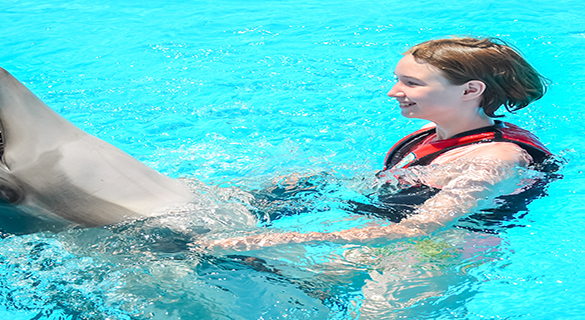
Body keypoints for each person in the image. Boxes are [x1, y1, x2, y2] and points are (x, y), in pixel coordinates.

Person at [203, 37, 553, 250]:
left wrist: (278, 239)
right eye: (398, 80)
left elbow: (421, 229)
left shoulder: (495, 160)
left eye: (412, 83)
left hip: (439, 251)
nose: (394, 92)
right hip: (386, 230)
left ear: (470, 90)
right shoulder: (438, 132)